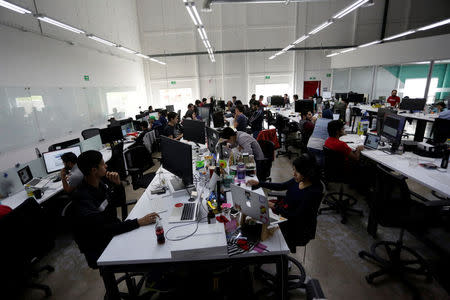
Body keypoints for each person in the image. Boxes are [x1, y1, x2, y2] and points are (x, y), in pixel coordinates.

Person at [71, 150, 159, 268]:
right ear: (94, 170)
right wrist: (138, 222)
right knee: (150, 246)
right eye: (103, 164)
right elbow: (104, 229)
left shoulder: (100, 184)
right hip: (101, 246)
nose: (106, 166)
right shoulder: (83, 198)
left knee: (151, 235)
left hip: (112, 230)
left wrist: (118, 185)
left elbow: (118, 203)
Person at [246, 154, 323, 252]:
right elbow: (281, 186)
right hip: (285, 213)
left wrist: (274, 206)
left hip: (296, 226)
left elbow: (296, 215)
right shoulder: (300, 180)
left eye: (297, 171)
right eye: (294, 170)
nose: (294, 174)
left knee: (261, 233)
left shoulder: (313, 192)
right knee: (257, 222)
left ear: (307, 172)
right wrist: (259, 183)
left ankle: (281, 256)